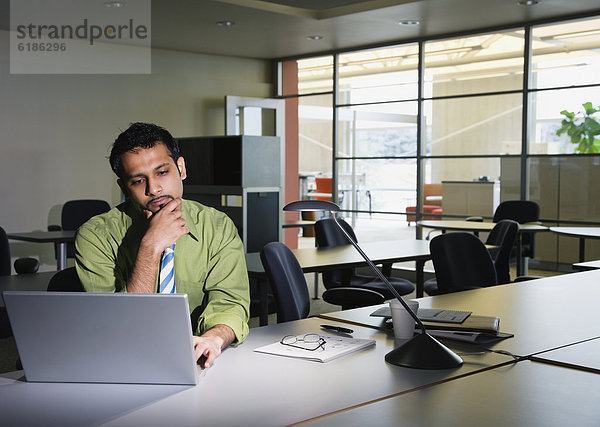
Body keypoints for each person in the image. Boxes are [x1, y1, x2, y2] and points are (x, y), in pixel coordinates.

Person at [75, 122, 250, 368]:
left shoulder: (217, 225)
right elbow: (117, 328)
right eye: (138, 180)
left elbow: (230, 302)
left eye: (162, 172)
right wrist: (150, 247)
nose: (154, 189)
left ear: (181, 168)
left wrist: (214, 337)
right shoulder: (95, 235)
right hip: (122, 362)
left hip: (199, 360)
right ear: (124, 187)